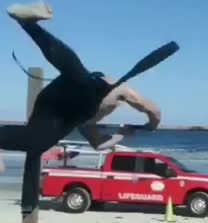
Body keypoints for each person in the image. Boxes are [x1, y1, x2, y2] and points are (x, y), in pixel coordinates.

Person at [0, 1, 178, 171]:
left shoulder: (87, 121)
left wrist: (122, 134)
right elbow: (154, 110)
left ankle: (28, 25)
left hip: (51, 104)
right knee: (80, 79)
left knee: (39, 141)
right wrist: (152, 126)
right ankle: (29, 25)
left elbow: (99, 145)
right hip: (72, 95)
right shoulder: (116, 92)